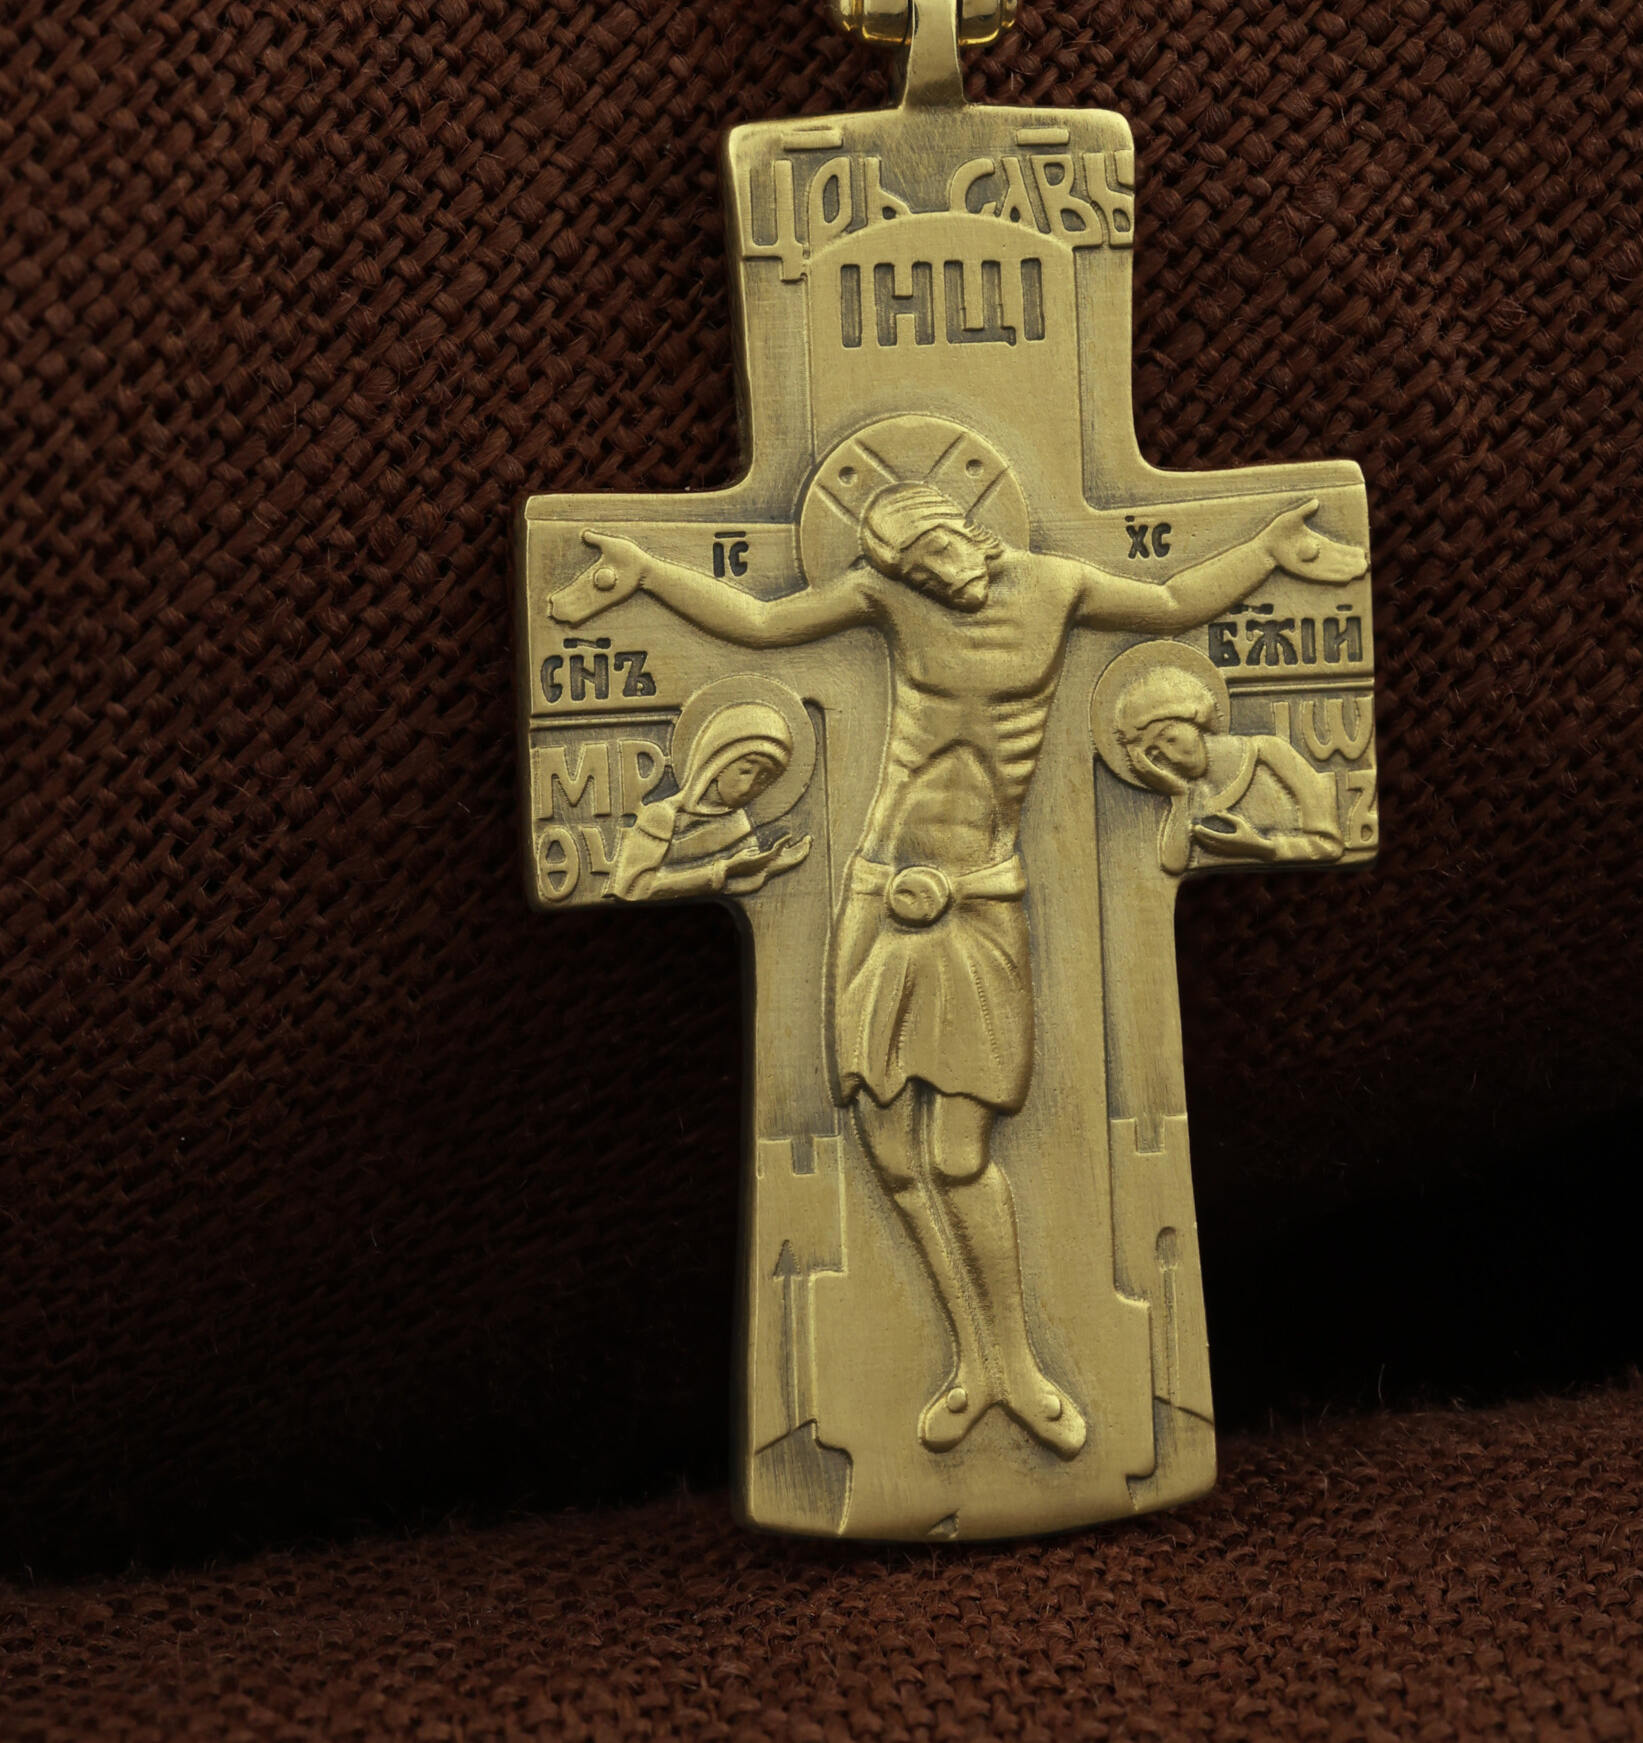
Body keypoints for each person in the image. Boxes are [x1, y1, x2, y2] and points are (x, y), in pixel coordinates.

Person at [553, 476, 1365, 1457]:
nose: (938, 580)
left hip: (979, 901)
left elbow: (1170, 600)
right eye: (914, 571)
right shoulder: (889, 598)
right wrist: (646, 573)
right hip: (880, 897)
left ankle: (1015, 1364)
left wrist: (1268, 551)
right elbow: (761, 623)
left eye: (937, 555)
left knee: (956, 1154)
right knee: (892, 1153)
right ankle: (975, 1365)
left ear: (965, 528)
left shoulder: (1057, 585)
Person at [1113, 665, 1342, 872]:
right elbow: (1172, 865)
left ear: (1195, 719)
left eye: (1170, 738)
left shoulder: (1268, 753)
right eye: (1154, 754)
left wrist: (1262, 847)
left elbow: (1330, 847)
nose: (1171, 758)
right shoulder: (1193, 794)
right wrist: (1179, 796)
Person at [604, 703, 811, 902]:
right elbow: (633, 889)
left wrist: (769, 867)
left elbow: (733, 888)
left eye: (764, 778)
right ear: (718, 763)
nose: (749, 786)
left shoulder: (738, 822)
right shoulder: (662, 816)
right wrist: (723, 869)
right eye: (745, 771)